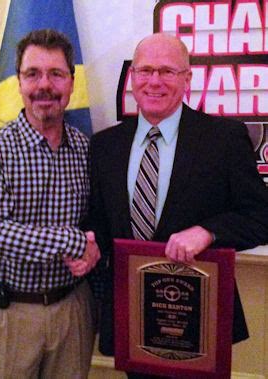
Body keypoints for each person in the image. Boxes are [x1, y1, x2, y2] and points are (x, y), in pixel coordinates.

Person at [88, 33, 268, 378]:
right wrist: (85, 245)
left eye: (168, 71)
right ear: (132, 78)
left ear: (187, 79)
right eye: (145, 70)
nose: (154, 81)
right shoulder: (105, 146)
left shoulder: (224, 139)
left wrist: (209, 232)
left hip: (199, 322)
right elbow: (99, 223)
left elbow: (261, 217)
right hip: (134, 319)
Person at [0, 29, 100, 379]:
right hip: (8, 315)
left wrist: (94, 247)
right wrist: (71, 242)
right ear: (19, 83)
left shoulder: (87, 150)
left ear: (72, 83)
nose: (45, 85)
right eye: (33, 74)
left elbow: (98, 219)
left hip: (74, 310)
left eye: (56, 74)